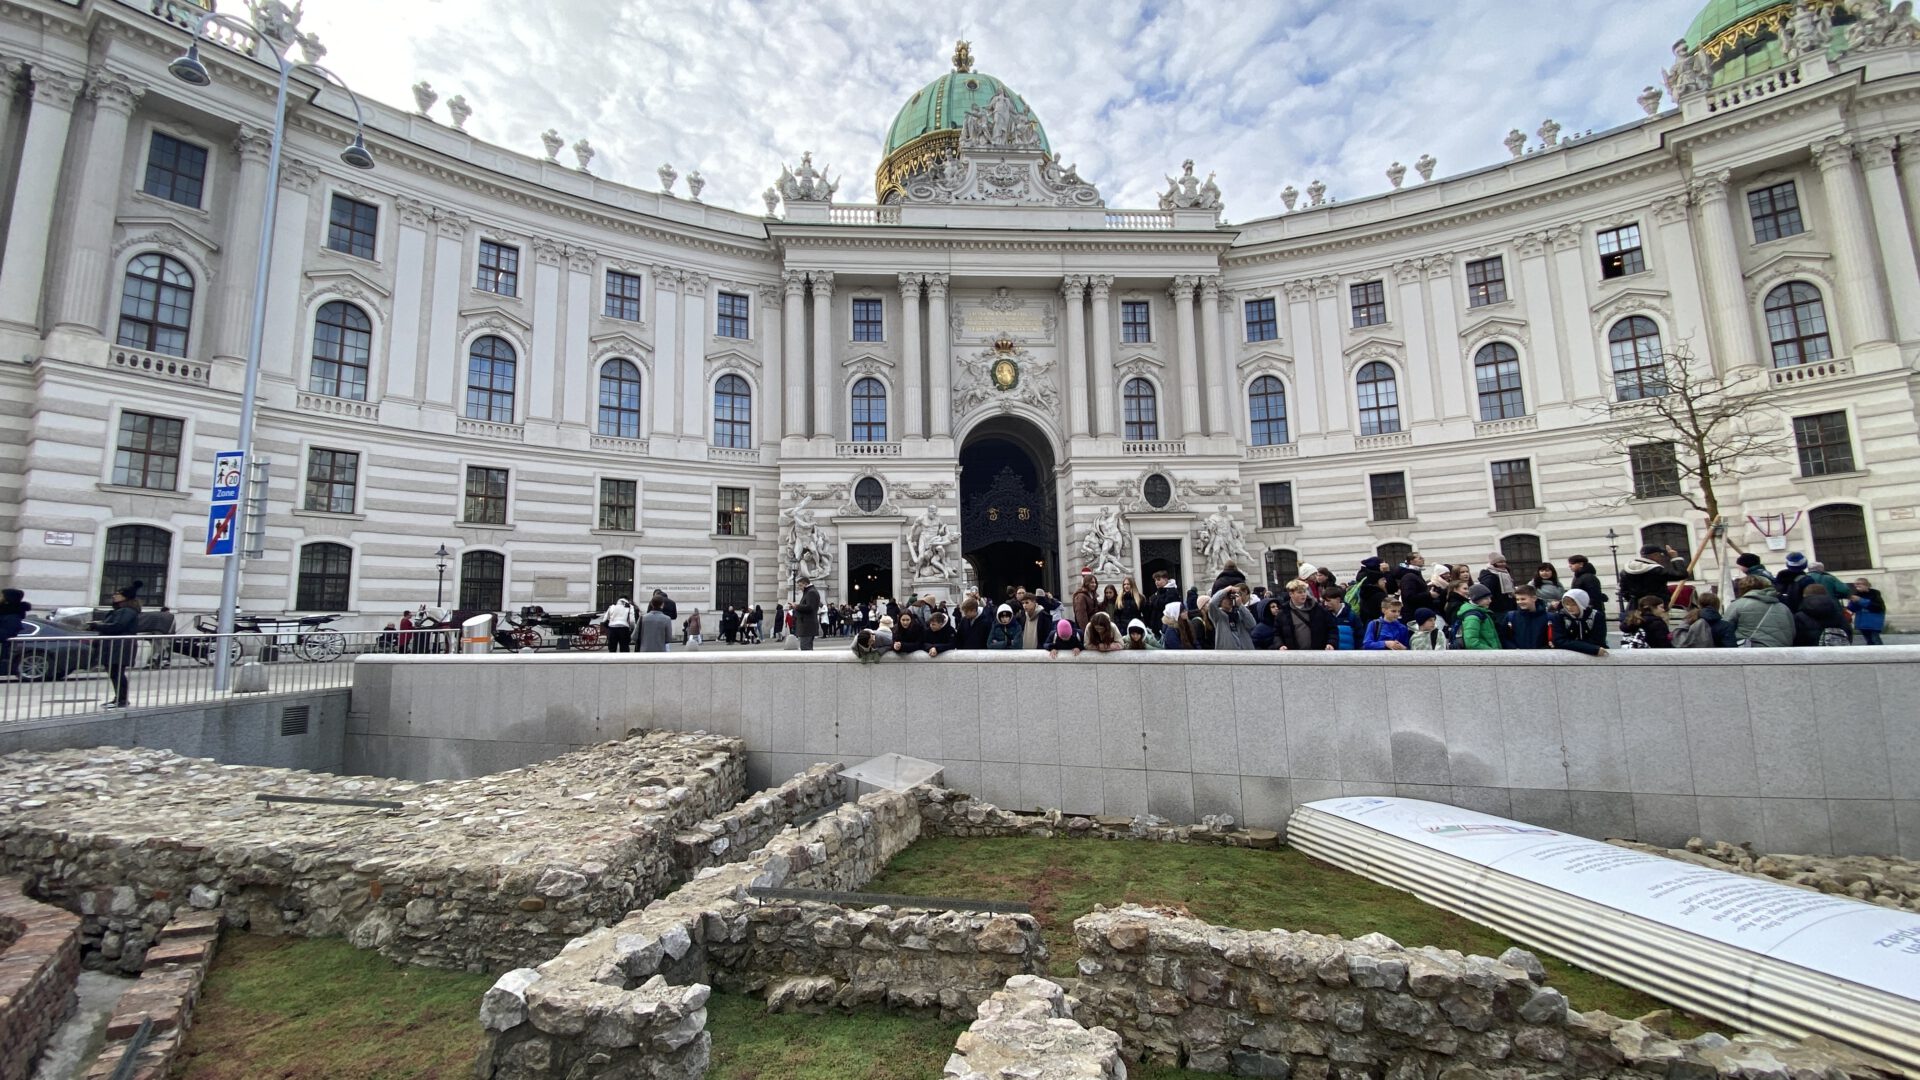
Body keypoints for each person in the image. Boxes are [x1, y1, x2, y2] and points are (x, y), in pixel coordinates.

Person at [94, 582, 143, 709]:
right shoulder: (122, 610)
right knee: (114, 672)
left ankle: (121, 700)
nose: (114, 596)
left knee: (117, 672)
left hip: (120, 645)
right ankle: (119, 698)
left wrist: (97, 626)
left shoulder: (126, 611)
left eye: (118, 594)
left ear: (125, 597)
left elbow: (117, 626)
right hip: (116, 644)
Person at [1725, 575, 1794, 647]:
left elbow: (1725, 629)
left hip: (1750, 651)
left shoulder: (1738, 604)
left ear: (1742, 589)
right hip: (1780, 652)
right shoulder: (1784, 608)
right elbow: (1792, 632)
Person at [1619, 545, 1688, 610]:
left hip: (1635, 607)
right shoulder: (1655, 570)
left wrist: (1635, 601)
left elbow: (1623, 591)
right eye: (1661, 555)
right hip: (1656, 607)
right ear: (1654, 555)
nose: (1662, 557)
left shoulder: (1625, 571)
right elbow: (1681, 575)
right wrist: (1675, 558)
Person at [1275, 580, 1333, 651]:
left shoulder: (1318, 609)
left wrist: (1331, 643)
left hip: (1317, 653)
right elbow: (1276, 633)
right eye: (1299, 592)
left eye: (1304, 591)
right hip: (1293, 655)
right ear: (1291, 594)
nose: (1303, 594)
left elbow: (1332, 628)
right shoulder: (1283, 612)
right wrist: (1280, 645)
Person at [1500, 585, 1558, 650]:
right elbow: (1503, 637)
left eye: (1523, 599)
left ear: (1534, 598)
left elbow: (1556, 638)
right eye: (1517, 599)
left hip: (1542, 656)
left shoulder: (1550, 617)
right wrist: (1514, 648)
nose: (1520, 602)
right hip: (1518, 656)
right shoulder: (1510, 617)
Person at [1555, 589, 1610, 656]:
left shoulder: (1596, 616)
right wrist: (1590, 648)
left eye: (1574, 604)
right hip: (1568, 654)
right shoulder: (1560, 616)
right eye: (1566, 604)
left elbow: (1598, 640)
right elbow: (1560, 641)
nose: (1569, 607)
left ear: (1582, 603)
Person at [1209, 584, 1255, 650]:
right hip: (1228, 655)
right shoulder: (1218, 615)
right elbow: (1212, 604)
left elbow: (1252, 624)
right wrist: (1225, 590)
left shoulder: (1239, 613)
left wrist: (1240, 605)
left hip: (1245, 653)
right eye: (1227, 598)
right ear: (1220, 600)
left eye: (1231, 598)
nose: (1230, 600)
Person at [1459, 584, 1502, 650]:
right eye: (1486, 598)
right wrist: (1492, 652)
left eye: (1490, 597)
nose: (1490, 601)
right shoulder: (1472, 617)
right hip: (1486, 655)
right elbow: (1471, 643)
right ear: (1476, 599)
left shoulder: (1482, 611)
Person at [1847, 578, 1886, 645]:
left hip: (1873, 622)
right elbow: (1852, 609)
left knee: (1875, 639)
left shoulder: (1874, 594)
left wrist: (1860, 600)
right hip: (1862, 623)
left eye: (1859, 584)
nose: (1857, 586)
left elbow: (1878, 607)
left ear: (1866, 585)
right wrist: (1852, 602)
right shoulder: (1856, 594)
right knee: (1869, 641)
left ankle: (1882, 653)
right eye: (1855, 585)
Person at [793, 576, 821, 651]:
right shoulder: (810, 591)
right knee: (806, 648)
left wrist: (797, 606)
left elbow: (810, 607)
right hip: (807, 625)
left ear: (805, 584)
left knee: (805, 649)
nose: (799, 588)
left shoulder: (811, 592)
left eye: (800, 585)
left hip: (807, 626)